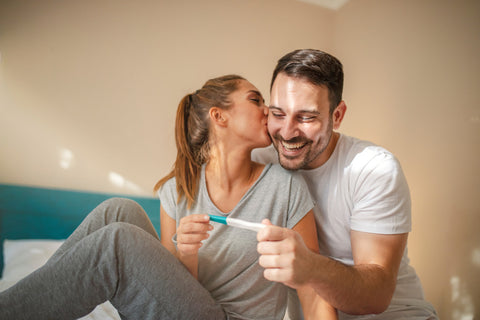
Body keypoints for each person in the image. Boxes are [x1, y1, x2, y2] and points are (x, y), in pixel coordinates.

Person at [0, 74, 335, 319]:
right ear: (219, 116)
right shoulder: (179, 189)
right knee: (118, 212)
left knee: (120, 242)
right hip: (193, 310)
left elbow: (312, 284)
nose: (269, 110)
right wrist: (186, 254)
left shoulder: (285, 185)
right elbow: (168, 297)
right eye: (255, 100)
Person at [253, 49, 438, 319]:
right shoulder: (260, 161)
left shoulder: (374, 169)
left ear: (337, 116)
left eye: (306, 117)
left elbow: (377, 296)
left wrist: (311, 267)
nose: (288, 132)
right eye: (278, 114)